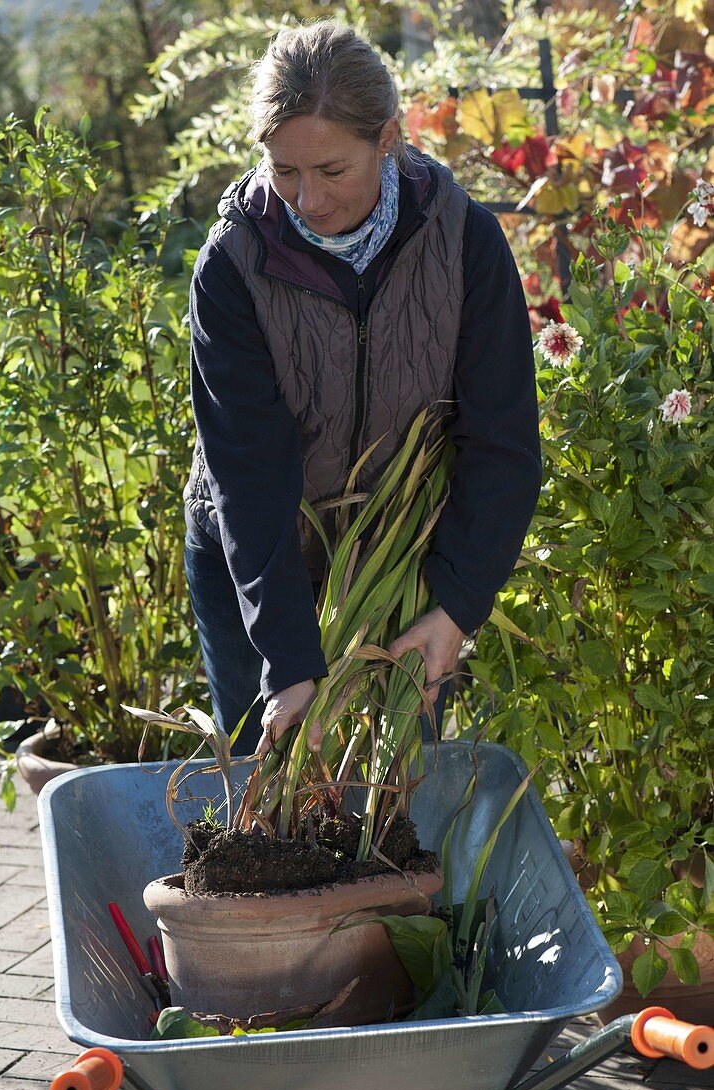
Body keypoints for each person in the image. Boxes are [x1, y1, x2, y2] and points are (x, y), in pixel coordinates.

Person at [183, 21, 542, 757]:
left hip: (401, 571)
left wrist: (454, 609)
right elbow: (248, 474)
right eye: (284, 170)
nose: (306, 200)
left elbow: (501, 444)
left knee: (388, 803)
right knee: (267, 792)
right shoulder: (233, 263)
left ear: (386, 138)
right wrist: (286, 659)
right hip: (256, 558)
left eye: (332, 171)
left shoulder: (464, 244)